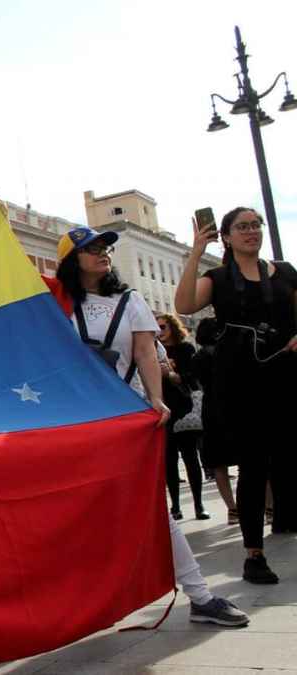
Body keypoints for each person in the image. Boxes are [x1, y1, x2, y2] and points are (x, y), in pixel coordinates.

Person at [53, 227, 248, 627]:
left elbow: (145, 351)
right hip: (76, 423)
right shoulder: (56, 304)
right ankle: (83, 603)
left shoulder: (130, 301)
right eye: (92, 248)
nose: (104, 253)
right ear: (72, 260)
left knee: (152, 505)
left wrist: (156, 400)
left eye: (106, 247)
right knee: (81, 513)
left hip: (124, 416)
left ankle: (200, 595)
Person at [175, 207, 297, 582]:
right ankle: (253, 554)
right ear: (226, 236)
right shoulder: (218, 277)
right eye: (242, 227)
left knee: (289, 455)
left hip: (285, 373)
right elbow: (184, 305)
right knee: (253, 464)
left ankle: (285, 516)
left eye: (256, 225)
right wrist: (196, 252)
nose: (251, 232)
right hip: (240, 381)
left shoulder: (285, 272)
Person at [157, 313, 208, 520]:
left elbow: (191, 376)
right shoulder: (151, 350)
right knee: (169, 460)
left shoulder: (185, 349)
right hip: (163, 409)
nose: (159, 331)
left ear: (173, 327)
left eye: (163, 327)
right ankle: (176, 506)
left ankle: (198, 505)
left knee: (190, 457)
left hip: (184, 408)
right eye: (156, 328)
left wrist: (171, 374)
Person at [191, 318, 239, 522]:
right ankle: (268, 508)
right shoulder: (231, 352)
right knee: (251, 459)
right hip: (236, 407)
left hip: (211, 411)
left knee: (219, 464)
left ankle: (232, 509)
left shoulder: (197, 358)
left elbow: (200, 384)